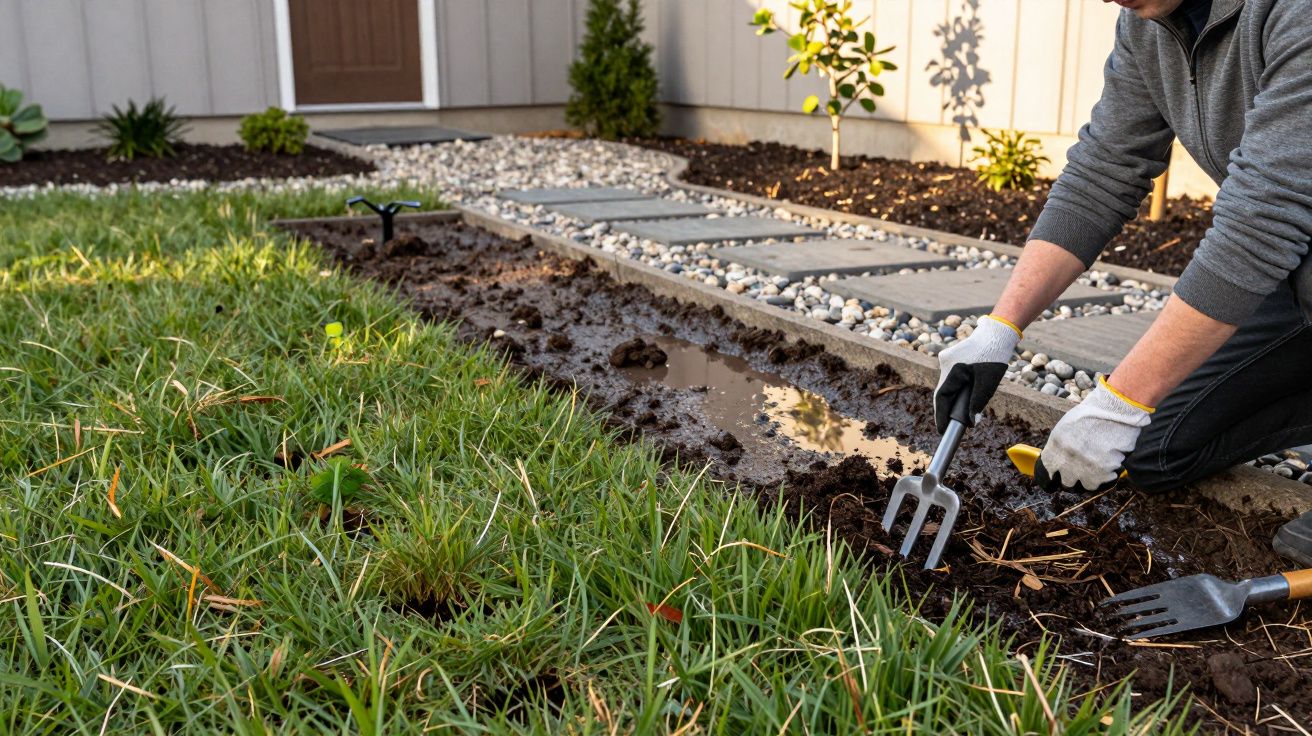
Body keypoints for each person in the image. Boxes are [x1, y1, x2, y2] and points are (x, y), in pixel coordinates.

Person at [933, 0, 1312, 565]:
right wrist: (999, 329)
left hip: (1292, 245)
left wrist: (1124, 396)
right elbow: (1102, 172)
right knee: (1152, 449)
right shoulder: (1149, 24)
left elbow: (1261, 221)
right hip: (1294, 269)